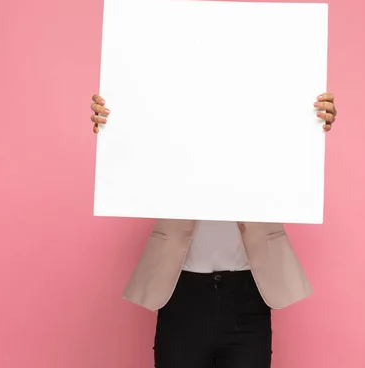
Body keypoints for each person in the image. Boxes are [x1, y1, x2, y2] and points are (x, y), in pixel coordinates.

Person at [90, 92, 337, 368]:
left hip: (249, 293)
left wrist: (312, 121)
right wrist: (115, 120)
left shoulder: (265, 101)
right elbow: (136, 147)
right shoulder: (168, 106)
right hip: (180, 292)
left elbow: (293, 152)